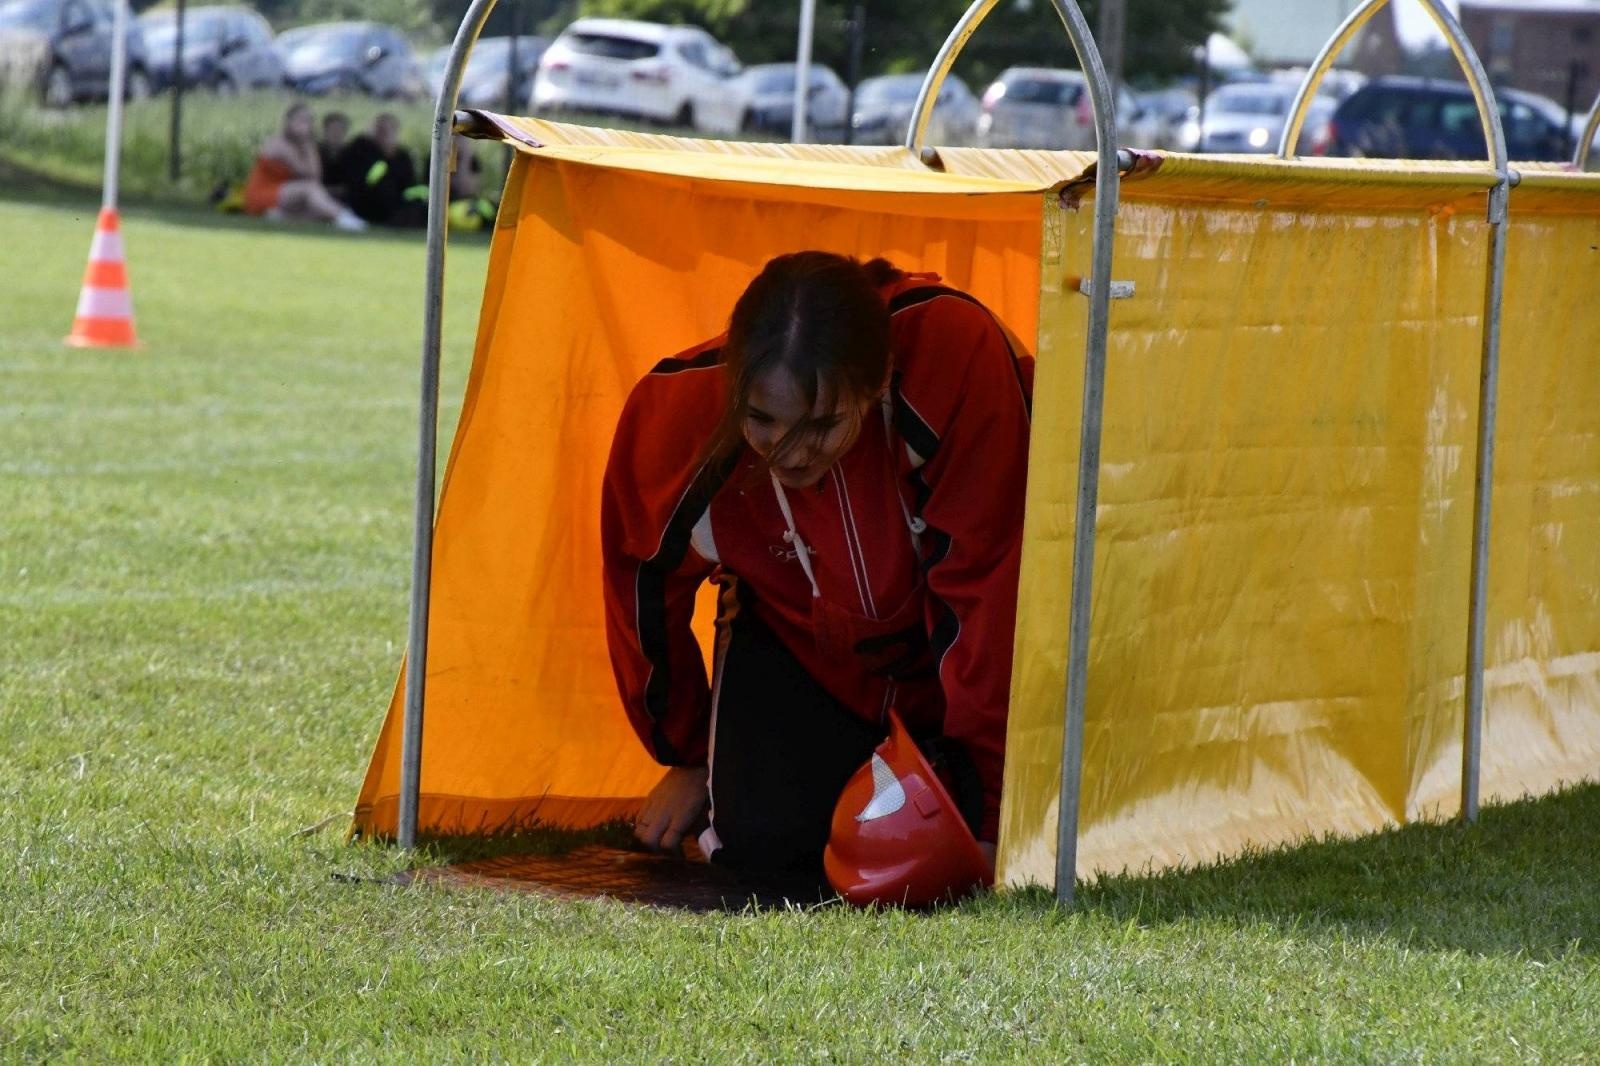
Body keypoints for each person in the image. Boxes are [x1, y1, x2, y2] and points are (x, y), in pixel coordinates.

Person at [601, 252, 1032, 879]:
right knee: (767, 854)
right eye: (761, 420)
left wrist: (991, 815)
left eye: (824, 424)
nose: (790, 453)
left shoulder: (952, 356)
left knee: (938, 851)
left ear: (877, 381)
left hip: (952, 668)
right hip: (799, 650)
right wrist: (688, 750)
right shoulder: (676, 414)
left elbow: (989, 591)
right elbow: (639, 588)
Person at [241, 102, 366, 232]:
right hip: (262, 194)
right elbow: (305, 173)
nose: (306, 125)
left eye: (309, 121)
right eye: (301, 120)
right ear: (289, 121)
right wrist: (307, 144)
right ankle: (343, 216)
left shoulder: (304, 145)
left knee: (319, 211)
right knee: (309, 189)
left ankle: (279, 216)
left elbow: (316, 176)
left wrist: (308, 145)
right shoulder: (278, 143)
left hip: (284, 196)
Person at [335, 112, 427, 227]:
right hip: (366, 201)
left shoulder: (403, 156)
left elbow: (410, 186)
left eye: (387, 131)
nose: (383, 135)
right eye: (379, 130)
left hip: (397, 204)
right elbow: (358, 182)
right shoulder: (361, 149)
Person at [318, 111, 353, 201]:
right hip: (317, 194)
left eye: (340, 130)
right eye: (333, 129)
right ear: (324, 130)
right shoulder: (313, 151)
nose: (336, 134)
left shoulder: (353, 153)